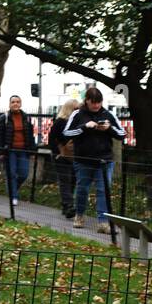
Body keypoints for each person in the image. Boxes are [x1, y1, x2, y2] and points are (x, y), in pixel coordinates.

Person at [63, 87, 126, 231]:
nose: (96, 106)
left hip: (104, 161)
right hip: (83, 161)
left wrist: (109, 128)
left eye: (99, 103)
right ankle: (79, 215)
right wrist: (85, 126)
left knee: (103, 190)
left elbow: (122, 134)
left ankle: (103, 222)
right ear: (87, 101)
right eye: (93, 103)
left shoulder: (108, 114)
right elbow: (66, 133)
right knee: (82, 189)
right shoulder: (77, 114)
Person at [0, 95, 37, 205]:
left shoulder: (26, 117)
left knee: (24, 174)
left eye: (18, 102)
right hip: (10, 151)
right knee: (12, 173)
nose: (15, 104)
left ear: (21, 104)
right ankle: (14, 196)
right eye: (13, 102)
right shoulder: (4, 118)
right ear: (9, 104)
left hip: (24, 150)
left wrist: (32, 150)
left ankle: (12, 187)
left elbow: (30, 135)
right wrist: (0, 152)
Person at [48, 99, 80, 218]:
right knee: (65, 180)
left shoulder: (76, 122)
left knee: (73, 180)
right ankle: (68, 205)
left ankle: (67, 204)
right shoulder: (60, 122)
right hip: (61, 156)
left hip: (73, 156)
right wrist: (58, 153)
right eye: (76, 109)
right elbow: (52, 140)